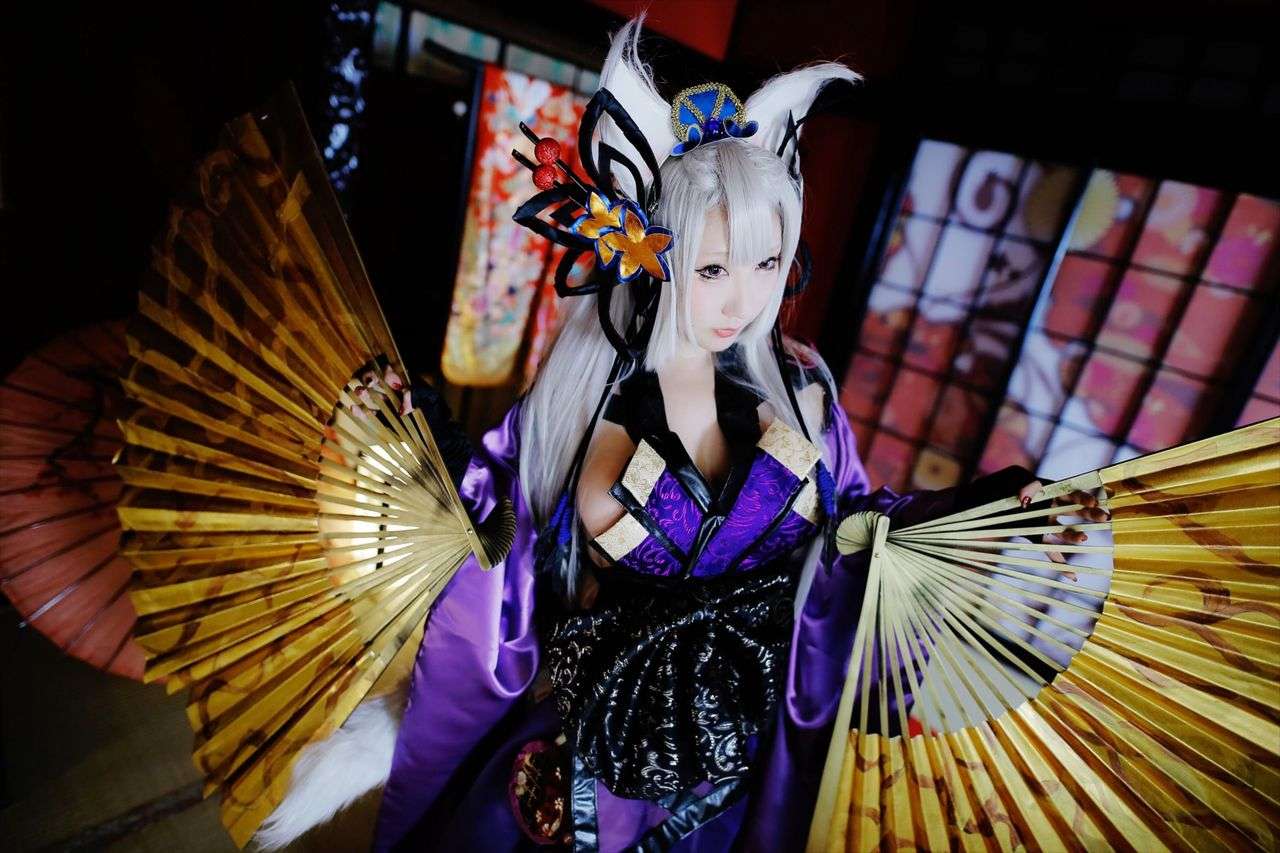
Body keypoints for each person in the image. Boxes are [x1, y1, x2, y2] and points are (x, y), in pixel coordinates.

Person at [255, 16, 1102, 852]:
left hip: (740, 758)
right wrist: (412, 440)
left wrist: (990, 514)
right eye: (713, 268)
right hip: (589, 772)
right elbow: (493, 553)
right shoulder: (577, 409)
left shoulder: (801, 388)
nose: (744, 298)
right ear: (652, 255)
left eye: (767, 263)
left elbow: (859, 528)